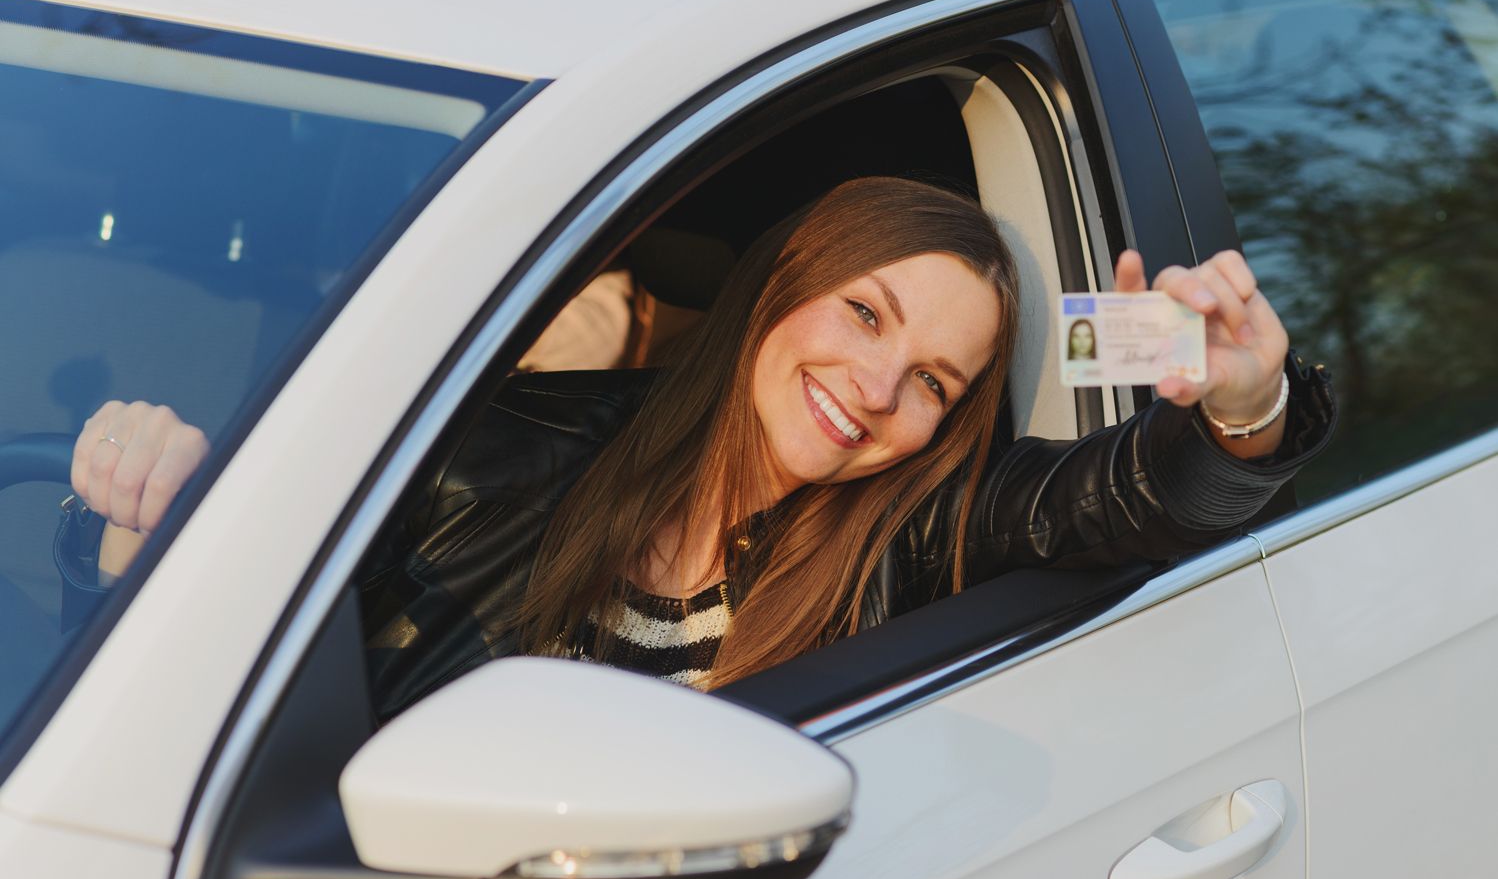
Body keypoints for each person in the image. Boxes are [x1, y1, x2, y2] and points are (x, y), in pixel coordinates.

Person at [62, 178, 1335, 719]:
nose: (875, 386)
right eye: (863, 313)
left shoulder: (920, 530)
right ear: (783, 285)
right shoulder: (491, 455)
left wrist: (1241, 401)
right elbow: (260, 674)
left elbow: (1130, 501)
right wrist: (143, 524)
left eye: (934, 381)